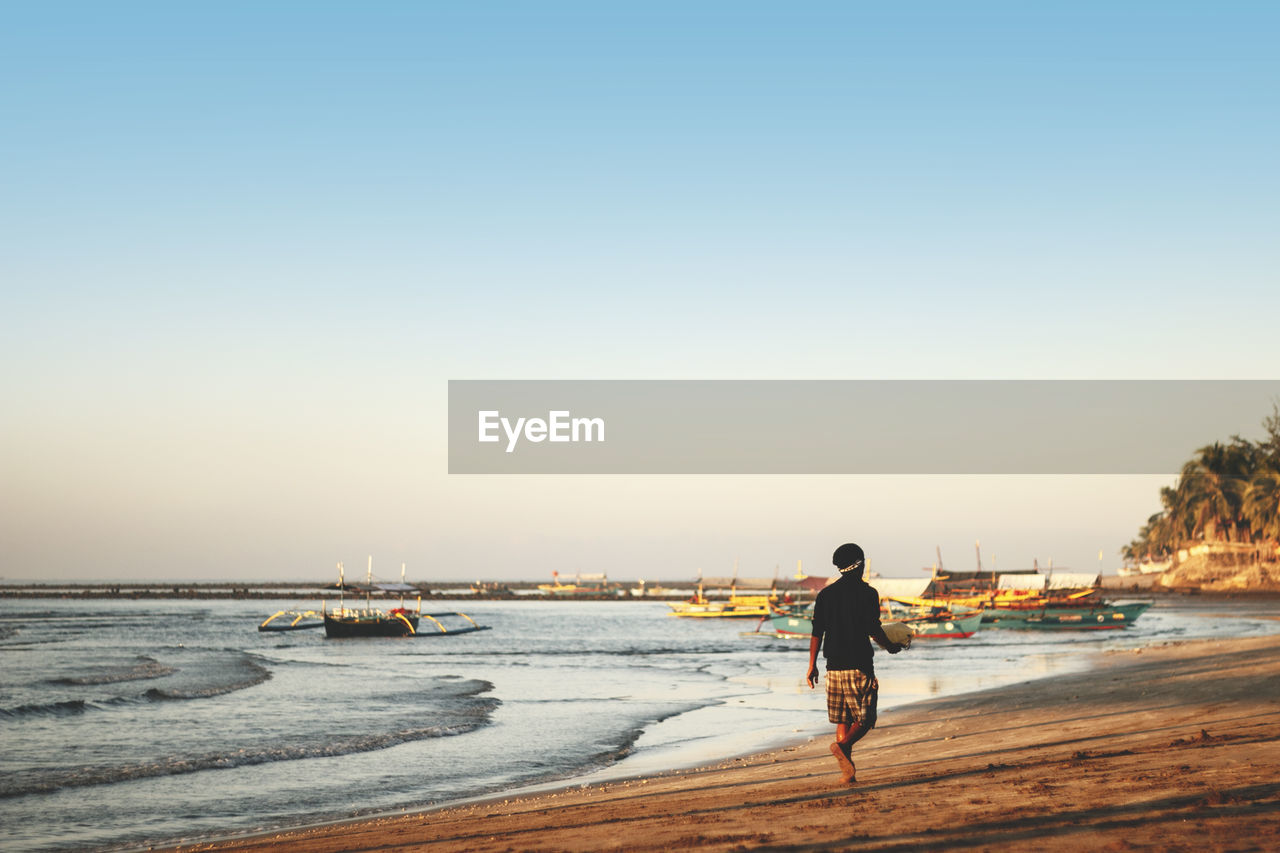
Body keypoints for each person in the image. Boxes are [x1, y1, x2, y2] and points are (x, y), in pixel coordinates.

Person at [806, 542, 904, 783]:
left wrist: (812, 665)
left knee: (844, 718)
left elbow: (817, 631)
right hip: (859, 664)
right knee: (866, 719)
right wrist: (890, 646)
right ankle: (844, 746)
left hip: (833, 666)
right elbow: (873, 629)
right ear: (860, 565)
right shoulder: (868, 594)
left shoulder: (825, 595)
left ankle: (846, 771)